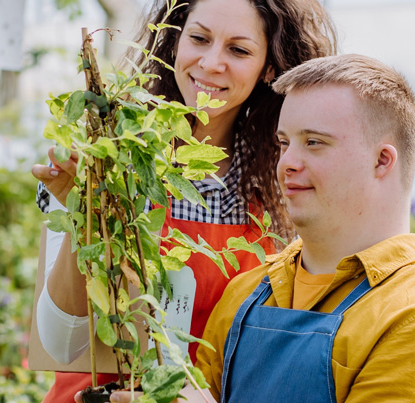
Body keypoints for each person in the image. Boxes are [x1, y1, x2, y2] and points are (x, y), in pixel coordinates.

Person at [28, 0, 337, 402]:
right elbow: (60, 344)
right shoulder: (106, 152)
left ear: (269, 69)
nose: (211, 63)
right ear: (173, 41)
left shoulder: (279, 186)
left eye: (238, 50)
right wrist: (85, 212)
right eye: (199, 38)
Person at [183, 54, 415, 402]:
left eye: (313, 142)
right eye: (284, 143)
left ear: (381, 160)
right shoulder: (246, 291)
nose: (286, 163)